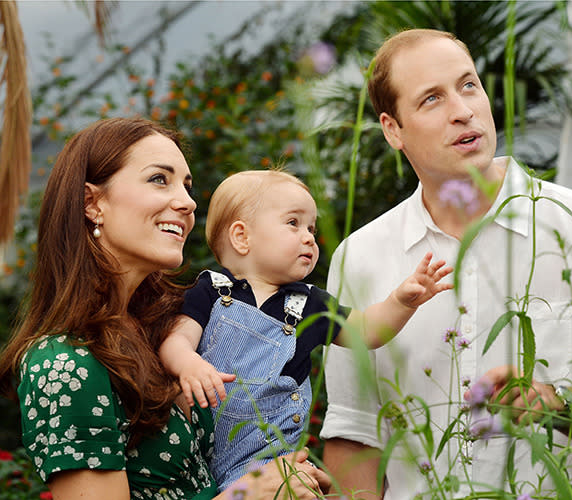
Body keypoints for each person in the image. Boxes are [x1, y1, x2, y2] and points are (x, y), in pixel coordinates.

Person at [320, 28, 572, 499]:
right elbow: (355, 435)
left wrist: (559, 405)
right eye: (431, 99)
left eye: (469, 85)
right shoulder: (359, 257)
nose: (463, 110)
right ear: (392, 129)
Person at [0, 118, 330, 500]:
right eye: (160, 179)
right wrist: (250, 492)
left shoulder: (173, 328)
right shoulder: (64, 362)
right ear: (93, 203)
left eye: (187, 187)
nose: (188, 202)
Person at [158, 169, 453, 492]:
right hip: (200, 457)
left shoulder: (309, 303)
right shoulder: (211, 292)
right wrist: (188, 364)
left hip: (272, 464)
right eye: (293, 223)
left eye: (311, 227)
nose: (309, 236)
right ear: (242, 237)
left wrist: (401, 301)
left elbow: (367, 331)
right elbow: (176, 340)